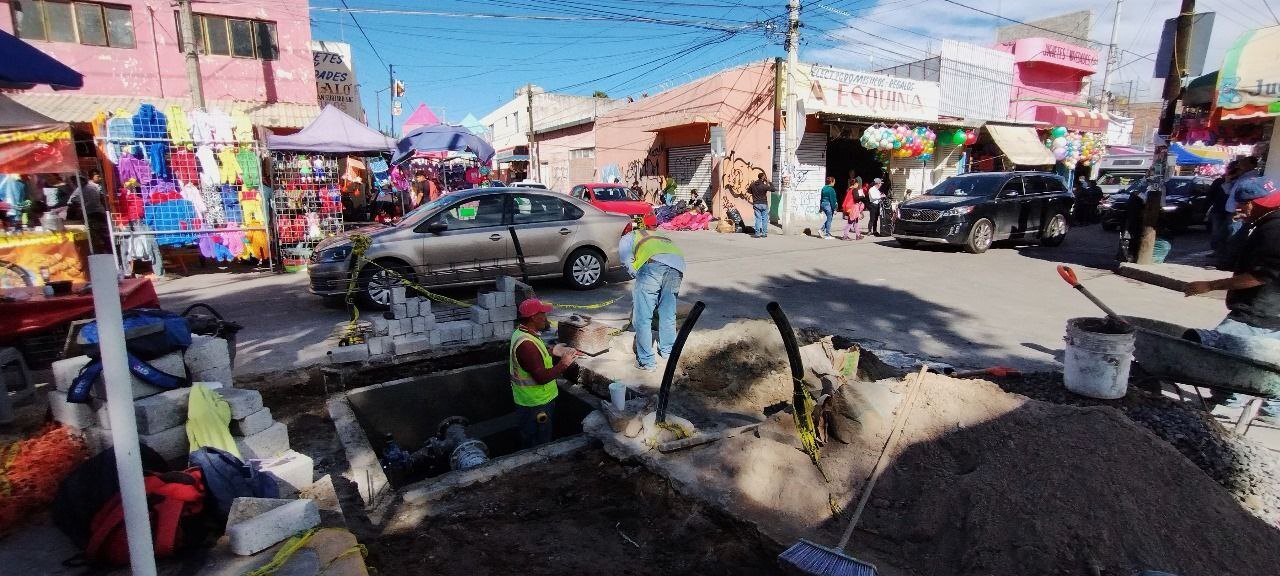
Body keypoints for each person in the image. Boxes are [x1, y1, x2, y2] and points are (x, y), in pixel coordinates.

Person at [1184, 177, 1280, 425]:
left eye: (1244, 204)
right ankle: (1272, 409)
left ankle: (1228, 402)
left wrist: (1210, 285)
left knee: (1218, 352)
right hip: (1273, 311)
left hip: (1259, 309)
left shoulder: (1273, 231)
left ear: (1255, 204)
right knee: (1268, 361)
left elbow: (1262, 275)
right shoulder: (1266, 224)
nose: (1240, 209)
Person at [510, 298, 578, 448]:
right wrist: (563, 364)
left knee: (536, 437)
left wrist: (553, 351)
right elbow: (540, 377)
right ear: (533, 317)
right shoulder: (527, 345)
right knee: (539, 443)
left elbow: (537, 357)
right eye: (543, 314)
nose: (546, 318)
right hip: (536, 404)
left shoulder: (523, 332)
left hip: (532, 401)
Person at [619, 228, 685, 371]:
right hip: (677, 266)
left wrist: (640, 281)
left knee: (642, 318)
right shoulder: (657, 234)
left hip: (652, 265)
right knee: (668, 313)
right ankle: (668, 352)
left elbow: (626, 261)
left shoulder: (627, 238)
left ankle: (646, 361)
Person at [69, 171, 109, 253]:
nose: (75, 183)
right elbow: (71, 199)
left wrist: (81, 207)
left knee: (100, 234)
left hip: (96, 213)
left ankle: (105, 251)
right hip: (87, 214)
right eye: (74, 181)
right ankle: (99, 250)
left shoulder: (90, 188)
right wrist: (74, 202)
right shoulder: (79, 189)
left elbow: (93, 202)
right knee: (93, 234)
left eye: (76, 181)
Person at [747, 173, 774, 238]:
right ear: (763, 178)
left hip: (756, 203)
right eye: (764, 177)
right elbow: (773, 189)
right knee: (764, 219)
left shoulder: (752, 184)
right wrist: (769, 182)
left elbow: (749, 191)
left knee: (757, 219)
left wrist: (754, 193)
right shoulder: (764, 186)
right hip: (764, 204)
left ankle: (757, 234)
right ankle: (764, 234)